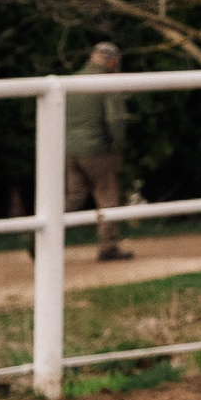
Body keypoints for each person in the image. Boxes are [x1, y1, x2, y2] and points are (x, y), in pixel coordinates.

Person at [65, 41, 134, 262]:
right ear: (112, 61)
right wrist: (118, 146)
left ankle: (40, 238)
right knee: (108, 198)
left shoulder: (72, 81)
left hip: (69, 150)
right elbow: (115, 119)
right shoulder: (107, 82)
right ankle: (109, 247)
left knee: (74, 198)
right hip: (97, 150)